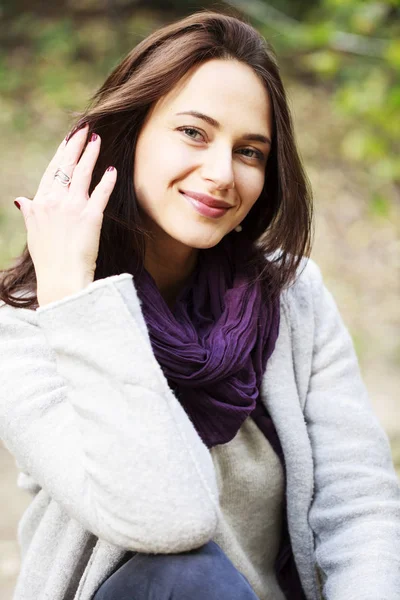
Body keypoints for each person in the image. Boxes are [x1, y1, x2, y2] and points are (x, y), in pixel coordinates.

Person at [0, 8, 399, 600]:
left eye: (250, 151)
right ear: (131, 134)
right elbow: (170, 519)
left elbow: (357, 502)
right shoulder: (30, 330)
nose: (220, 174)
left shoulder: (293, 299)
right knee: (182, 573)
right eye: (193, 132)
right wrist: (75, 303)